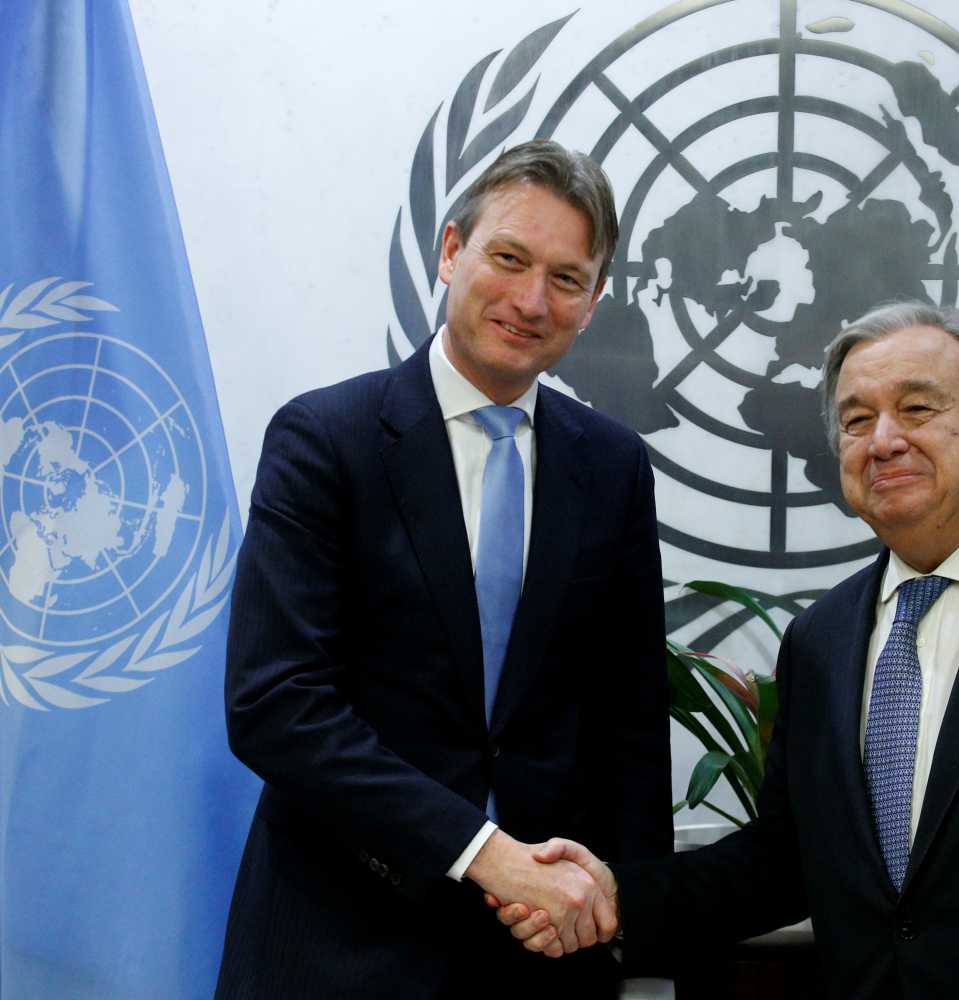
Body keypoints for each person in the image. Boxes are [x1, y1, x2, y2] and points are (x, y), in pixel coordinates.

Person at [502, 302, 959, 998]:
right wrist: (612, 894)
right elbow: (782, 863)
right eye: (857, 420)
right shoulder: (820, 640)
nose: (884, 438)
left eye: (918, 408)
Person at [215, 140, 671, 999]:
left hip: (543, 962)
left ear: (595, 301)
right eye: (509, 258)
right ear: (452, 251)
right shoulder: (326, 442)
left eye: (568, 279)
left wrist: (622, 912)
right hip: (339, 948)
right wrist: (485, 855)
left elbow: (632, 715)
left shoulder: (612, 467)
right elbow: (275, 704)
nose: (532, 300)